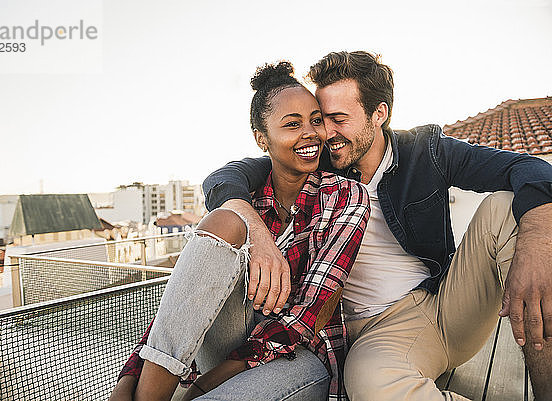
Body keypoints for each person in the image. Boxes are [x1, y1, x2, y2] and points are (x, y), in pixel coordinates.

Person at [201, 51, 552, 400]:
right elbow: (223, 178)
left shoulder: (425, 152)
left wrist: (537, 242)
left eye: (339, 118)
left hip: (443, 305)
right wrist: (258, 235)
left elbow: (530, 169)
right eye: (323, 119)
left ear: (379, 114)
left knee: (507, 208)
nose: (327, 133)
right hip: (373, 333)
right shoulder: (313, 161)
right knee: (369, 383)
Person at [109, 61, 370, 401]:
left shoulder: (345, 196)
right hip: (226, 342)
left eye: (315, 121)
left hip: (299, 356)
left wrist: (200, 388)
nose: (311, 133)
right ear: (262, 139)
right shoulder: (243, 198)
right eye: (292, 124)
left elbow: (307, 320)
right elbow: (183, 306)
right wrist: (127, 381)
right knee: (224, 221)